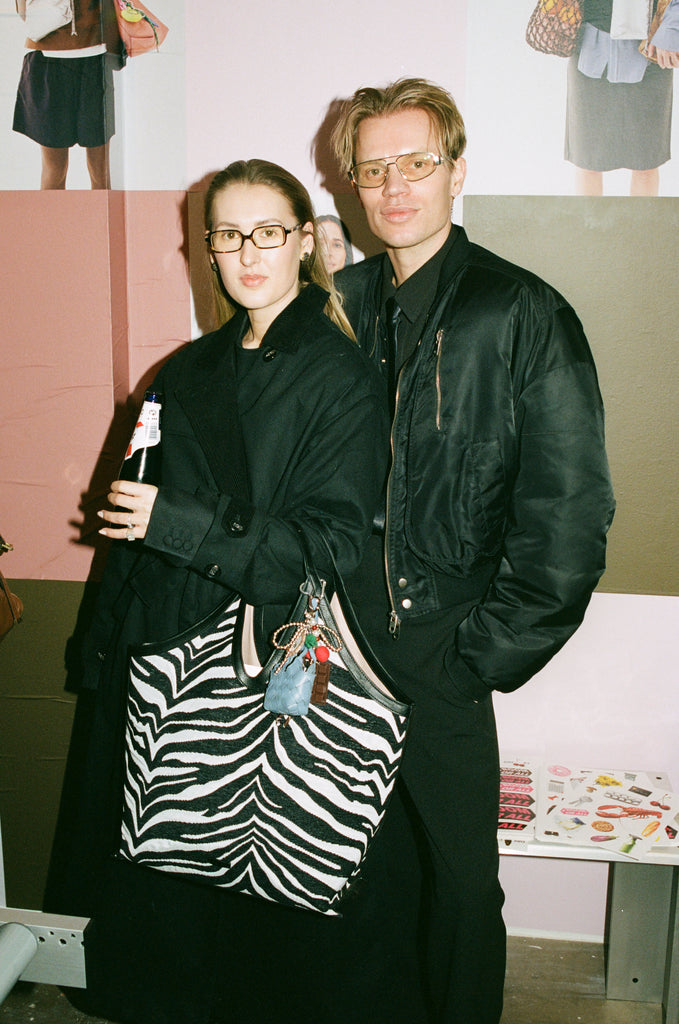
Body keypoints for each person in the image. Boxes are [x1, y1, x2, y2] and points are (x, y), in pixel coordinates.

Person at [45, 158, 390, 1024]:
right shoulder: (185, 368)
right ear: (207, 248)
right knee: (164, 888)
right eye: (228, 235)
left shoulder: (339, 375)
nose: (247, 253)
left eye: (267, 232)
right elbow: (126, 527)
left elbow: (330, 547)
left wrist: (182, 523)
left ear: (305, 242)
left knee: (257, 890)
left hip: (264, 664)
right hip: (160, 656)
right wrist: (100, 646)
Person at [329, 77, 616, 1023]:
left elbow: (568, 512)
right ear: (351, 182)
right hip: (337, 646)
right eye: (374, 167)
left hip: (444, 644)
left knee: (458, 887)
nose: (394, 186)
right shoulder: (337, 307)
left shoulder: (520, 310)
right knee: (346, 873)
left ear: (455, 171)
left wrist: (482, 652)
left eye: (416, 162)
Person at [566, 0, 679, 195]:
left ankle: (641, 218)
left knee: (645, 162)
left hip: (650, 45)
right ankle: (587, 217)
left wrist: (672, 27)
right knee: (587, 160)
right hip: (589, 40)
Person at [13, 0, 121, 189]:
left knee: (94, 170)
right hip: (53, 59)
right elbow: (24, 13)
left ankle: (94, 213)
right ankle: (54, 212)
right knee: (63, 169)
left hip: (91, 57)